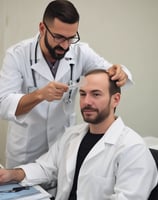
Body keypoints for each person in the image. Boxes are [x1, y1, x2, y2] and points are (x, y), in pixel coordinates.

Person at [0, 0, 133, 168]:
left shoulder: (79, 51)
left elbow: (111, 71)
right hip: (26, 152)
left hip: (62, 148)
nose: (65, 45)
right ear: (42, 28)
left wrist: (121, 72)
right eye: (59, 37)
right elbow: (3, 104)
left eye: (71, 38)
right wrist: (39, 95)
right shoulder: (17, 55)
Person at [0, 69, 157, 200]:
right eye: (82, 94)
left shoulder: (132, 148)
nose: (86, 101)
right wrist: (11, 174)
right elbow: (46, 167)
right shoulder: (72, 134)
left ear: (115, 100)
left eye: (96, 94)